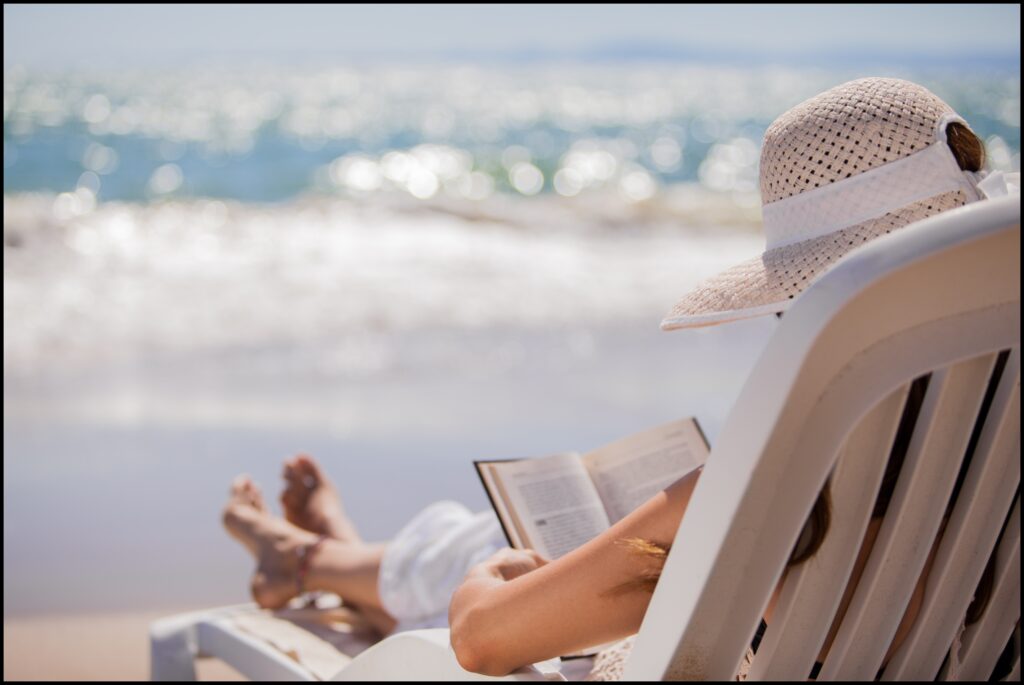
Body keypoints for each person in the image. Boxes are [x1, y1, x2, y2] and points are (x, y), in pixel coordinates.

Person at [221, 77, 1015, 678]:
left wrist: (475, 592)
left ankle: (307, 559)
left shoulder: (780, 498)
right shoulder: (995, 471)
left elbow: (484, 638)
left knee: (493, 546)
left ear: (811, 312)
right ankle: (322, 556)